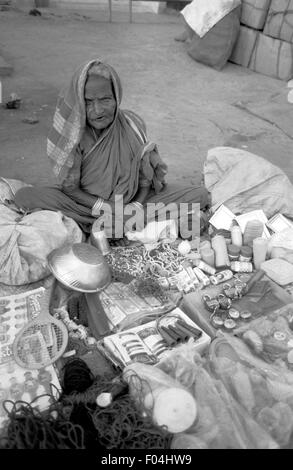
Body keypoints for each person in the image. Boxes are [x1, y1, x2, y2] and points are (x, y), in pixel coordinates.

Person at [15, 59, 210, 243]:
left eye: (105, 99)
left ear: (117, 97)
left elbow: (145, 179)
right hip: (85, 206)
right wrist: (109, 208)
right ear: (79, 102)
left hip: (132, 203)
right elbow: (70, 189)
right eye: (88, 102)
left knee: (199, 195)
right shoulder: (75, 135)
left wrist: (134, 206)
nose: (97, 110)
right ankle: (118, 226)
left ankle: (106, 228)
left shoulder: (132, 124)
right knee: (25, 197)